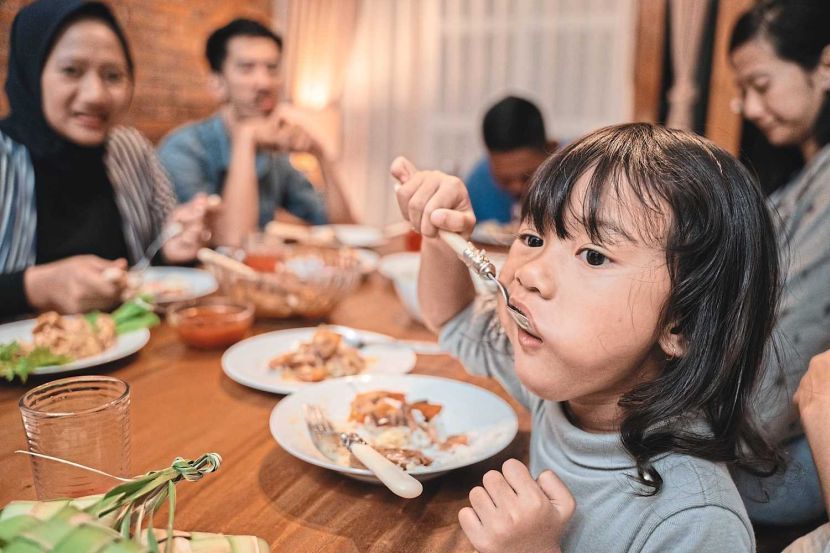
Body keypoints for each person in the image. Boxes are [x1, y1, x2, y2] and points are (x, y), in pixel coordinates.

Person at [390, 123, 782, 552]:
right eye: (533, 237)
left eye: (594, 256)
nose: (529, 272)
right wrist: (442, 236)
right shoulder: (565, 385)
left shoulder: (697, 521)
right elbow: (455, 316)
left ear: (681, 324)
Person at [0, 0, 212, 318]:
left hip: (136, 356)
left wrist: (175, 249)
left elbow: (154, 268)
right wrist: (33, 286)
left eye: (113, 76)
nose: (95, 95)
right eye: (71, 71)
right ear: (32, 71)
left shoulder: (131, 150)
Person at [729, 0, 830, 524]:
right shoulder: (806, 175)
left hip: (787, 454)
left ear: (825, 66)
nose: (748, 108)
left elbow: (788, 349)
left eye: (761, 85)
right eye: (743, 92)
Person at [158, 18, 354, 247]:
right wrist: (246, 137)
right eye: (246, 68)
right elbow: (232, 244)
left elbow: (346, 233)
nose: (264, 82)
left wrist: (321, 154)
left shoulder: (275, 156)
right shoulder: (183, 149)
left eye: (272, 69)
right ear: (217, 84)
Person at [465, 96, 554, 224]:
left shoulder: (576, 173)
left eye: (527, 176)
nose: (517, 188)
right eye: (505, 180)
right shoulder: (479, 183)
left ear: (551, 149)